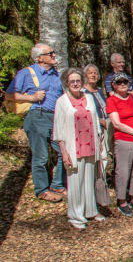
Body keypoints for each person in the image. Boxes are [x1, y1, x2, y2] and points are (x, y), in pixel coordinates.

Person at [5, 43, 66, 202]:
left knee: (63, 151)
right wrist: (31, 98)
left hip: (56, 118)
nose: (54, 56)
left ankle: (58, 184)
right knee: (41, 156)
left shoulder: (56, 75)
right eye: (50, 53)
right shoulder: (26, 73)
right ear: (39, 58)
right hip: (37, 116)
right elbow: (9, 95)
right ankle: (42, 190)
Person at [53, 67, 106, 229]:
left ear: (82, 82)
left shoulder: (89, 97)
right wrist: (64, 151)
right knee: (76, 181)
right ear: (67, 83)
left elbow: (96, 122)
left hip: (90, 145)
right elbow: (58, 129)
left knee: (89, 179)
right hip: (73, 147)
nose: (75, 84)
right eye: (72, 81)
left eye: (78, 80)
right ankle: (75, 215)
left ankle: (91, 210)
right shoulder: (62, 101)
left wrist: (99, 142)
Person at [106, 72, 133, 217]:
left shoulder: (132, 97)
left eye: (125, 82)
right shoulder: (112, 100)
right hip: (124, 140)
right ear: (114, 85)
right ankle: (122, 201)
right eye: (119, 82)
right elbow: (117, 123)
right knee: (123, 171)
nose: (123, 84)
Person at [82, 64, 108, 130]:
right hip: (94, 125)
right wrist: (101, 121)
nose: (93, 75)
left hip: (106, 124)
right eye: (90, 73)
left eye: (95, 73)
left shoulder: (99, 90)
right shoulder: (83, 92)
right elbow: (85, 112)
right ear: (85, 76)